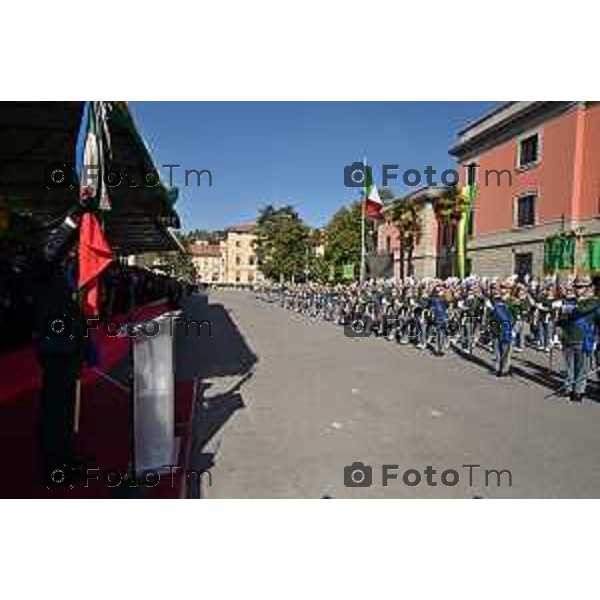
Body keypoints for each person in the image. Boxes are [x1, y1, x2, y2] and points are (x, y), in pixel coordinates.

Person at [557, 277, 600, 402]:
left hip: (583, 338)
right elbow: (562, 319)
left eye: (580, 287)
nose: (577, 289)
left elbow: (581, 311)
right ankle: (568, 389)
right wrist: (558, 327)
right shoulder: (570, 301)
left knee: (581, 368)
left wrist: (565, 308)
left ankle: (578, 392)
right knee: (569, 367)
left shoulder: (593, 302)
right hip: (568, 337)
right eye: (576, 286)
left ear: (587, 288)